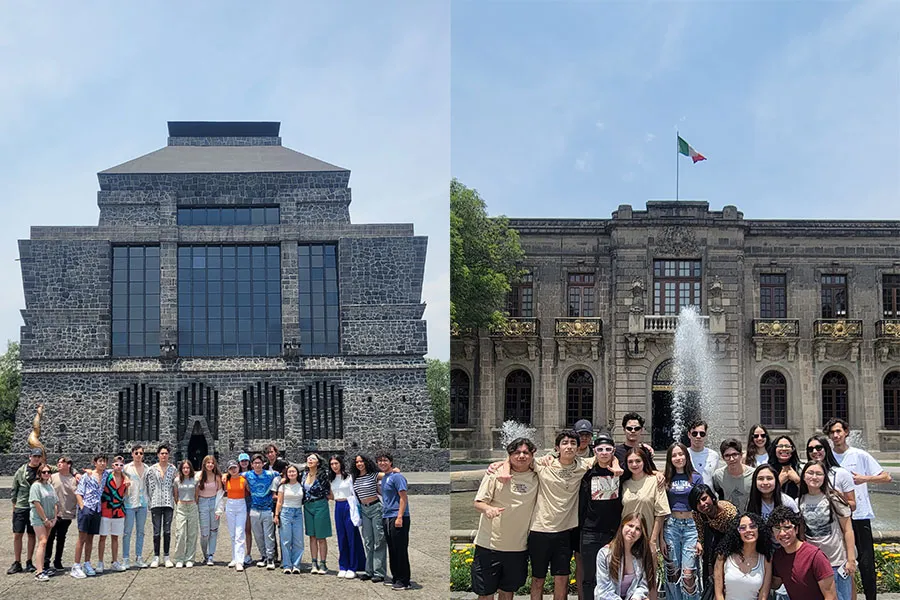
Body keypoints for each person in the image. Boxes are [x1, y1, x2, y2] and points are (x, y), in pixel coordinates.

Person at [826, 417, 891, 600]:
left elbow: (886, 477)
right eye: (832, 433)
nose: (836, 435)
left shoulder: (859, 455)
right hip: (837, 518)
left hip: (859, 515)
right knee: (840, 562)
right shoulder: (828, 457)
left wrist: (865, 479)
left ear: (846, 432)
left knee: (866, 562)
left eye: (838, 431)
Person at [472, 437, 539, 600]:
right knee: (485, 593)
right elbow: (478, 502)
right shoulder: (494, 474)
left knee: (508, 592)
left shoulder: (537, 476)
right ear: (509, 455)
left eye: (526, 452)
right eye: (517, 452)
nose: (521, 456)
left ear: (532, 455)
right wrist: (488, 509)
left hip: (518, 547)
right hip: (489, 545)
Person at [797, 461, 855, 600]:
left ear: (825, 477)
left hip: (836, 561)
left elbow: (848, 530)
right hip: (813, 563)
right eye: (810, 473)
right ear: (803, 476)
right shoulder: (800, 500)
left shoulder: (834, 498)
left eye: (819, 474)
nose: (814, 477)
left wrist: (851, 559)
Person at [579, 432, 623, 600]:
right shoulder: (586, 472)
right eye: (600, 449)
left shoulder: (620, 472)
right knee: (589, 577)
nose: (604, 453)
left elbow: (643, 467)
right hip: (589, 531)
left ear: (613, 451)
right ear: (594, 451)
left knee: (612, 576)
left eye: (608, 449)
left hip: (612, 533)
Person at [768, 505, 837, 600]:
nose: (782, 533)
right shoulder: (778, 556)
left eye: (787, 527)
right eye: (777, 529)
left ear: (796, 529)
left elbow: (831, 596)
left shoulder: (815, 556)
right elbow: (775, 584)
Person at [661, 442, 703, 600]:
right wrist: (660, 538)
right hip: (671, 526)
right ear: (669, 459)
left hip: (691, 527)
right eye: (674, 455)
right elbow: (660, 508)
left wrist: (700, 538)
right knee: (673, 571)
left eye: (681, 454)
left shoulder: (696, 477)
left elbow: (701, 508)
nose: (678, 458)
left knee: (688, 573)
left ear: (686, 456)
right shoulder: (665, 478)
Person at [689, 484, 737, 594]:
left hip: (733, 537)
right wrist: (700, 542)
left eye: (704, 499)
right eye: (698, 503)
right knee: (708, 562)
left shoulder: (728, 512)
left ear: (712, 497)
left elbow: (735, 535)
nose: (702, 504)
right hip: (714, 535)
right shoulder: (697, 513)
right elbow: (700, 529)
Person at [712, 512, 772, 600]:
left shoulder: (766, 559)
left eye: (752, 526)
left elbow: (763, 596)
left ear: (759, 529)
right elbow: (718, 594)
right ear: (737, 532)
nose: (748, 530)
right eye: (742, 528)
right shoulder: (723, 557)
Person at [594, 513, 654, 600]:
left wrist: (635, 598)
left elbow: (643, 585)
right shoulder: (604, 554)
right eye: (630, 525)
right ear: (622, 526)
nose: (632, 531)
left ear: (641, 534)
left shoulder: (641, 555)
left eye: (638, 529)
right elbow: (604, 590)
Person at [377, 450, 411, 591]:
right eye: (380, 461)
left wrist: (399, 517)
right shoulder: (385, 478)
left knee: (400, 548)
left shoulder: (397, 477)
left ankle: (404, 580)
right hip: (387, 516)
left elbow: (403, 497)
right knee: (392, 548)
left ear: (390, 462)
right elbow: (385, 494)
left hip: (398, 516)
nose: (382, 463)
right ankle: (396, 576)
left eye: (385, 460)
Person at [351, 453, 387, 583]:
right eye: (357, 462)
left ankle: (379, 572)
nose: (359, 464)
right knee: (368, 541)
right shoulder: (355, 478)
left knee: (379, 540)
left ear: (366, 462)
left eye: (361, 461)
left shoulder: (373, 475)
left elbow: (388, 474)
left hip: (376, 508)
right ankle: (369, 570)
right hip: (364, 510)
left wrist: (395, 470)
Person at [329, 454, 365, 578]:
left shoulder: (349, 477)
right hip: (338, 506)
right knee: (341, 537)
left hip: (349, 505)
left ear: (341, 464)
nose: (334, 466)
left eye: (336, 463)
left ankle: (353, 566)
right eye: (332, 464)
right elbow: (331, 495)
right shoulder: (331, 478)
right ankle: (343, 565)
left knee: (352, 536)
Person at [8, 448, 44, 574]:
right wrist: (14, 507)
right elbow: (14, 489)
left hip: (35, 506)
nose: (36, 459)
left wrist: (75, 472)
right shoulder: (21, 471)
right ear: (30, 457)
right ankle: (17, 562)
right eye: (34, 456)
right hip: (21, 505)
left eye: (38, 457)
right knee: (18, 534)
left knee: (31, 534)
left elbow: (62, 468)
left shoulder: (43, 469)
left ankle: (29, 561)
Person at [71, 454, 106, 578]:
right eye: (100, 461)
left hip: (97, 509)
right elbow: (79, 493)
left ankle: (87, 562)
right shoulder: (87, 476)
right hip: (87, 508)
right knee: (82, 537)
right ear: (95, 463)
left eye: (104, 461)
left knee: (90, 538)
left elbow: (119, 469)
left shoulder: (106, 475)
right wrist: (82, 507)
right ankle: (76, 565)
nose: (102, 463)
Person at [145, 443, 177, 568]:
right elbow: (147, 486)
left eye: (166, 453)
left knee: (167, 531)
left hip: (168, 503)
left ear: (169, 455)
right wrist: (150, 501)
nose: (164, 455)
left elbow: (176, 485)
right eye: (162, 453)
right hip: (156, 503)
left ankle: (167, 556)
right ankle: (156, 557)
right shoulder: (151, 469)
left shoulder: (173, 469)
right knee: (156, 531)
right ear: (158, 455)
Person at [804, 435, 855, 511]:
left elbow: (853, 506)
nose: (814, 451)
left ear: (826, 449)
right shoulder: (806, 474)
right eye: (810, 449)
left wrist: (839, 497)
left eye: (818, 448)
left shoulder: (841, 473)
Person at [246, 453, 278, 570]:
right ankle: (263, 556)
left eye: (259, 463)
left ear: (263, 464)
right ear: (252, 465)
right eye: (255, 463)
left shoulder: (270, 474)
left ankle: (270, 558)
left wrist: (275, 489)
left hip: (267, 509)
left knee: (269, 535)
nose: (257, 465)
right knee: (258, 535)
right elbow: (234, 474)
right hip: (254, 509)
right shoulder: (248, 475)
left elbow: (283, 474)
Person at [301, 452, 332, 574]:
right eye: (308, 458)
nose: (310, 460)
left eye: (313, 459)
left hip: (320, 504)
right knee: (312, 535)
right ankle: (314, 562)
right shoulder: (304, 474)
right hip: (308, 506)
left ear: (318, 462)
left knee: (321, 536)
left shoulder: (323, 474)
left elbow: (329, 489)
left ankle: (323, 563)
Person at [46, 456, 77, 573]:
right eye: (58, 462)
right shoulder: (52, 477)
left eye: (62, 463)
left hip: (67, 513)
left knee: (61, 538)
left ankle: (58, 561)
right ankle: (46, 561)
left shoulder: (74, 480)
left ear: (68, 465)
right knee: (49, 538)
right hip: (52, 514)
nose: (59, 464)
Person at [97, 456, 129, 572]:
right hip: (106, 509)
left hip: (118, 511)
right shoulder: (106, 476)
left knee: (115, 537)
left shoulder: (125, 479)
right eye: (116, 464)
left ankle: (114, 561)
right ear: (112, 465)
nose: (118, 467)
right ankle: (100, 562)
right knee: (103, 536)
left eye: (121, 465)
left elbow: (125, 494)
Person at [29, 463, 58, 582]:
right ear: (39, 473)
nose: (46, 474)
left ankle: (43, 567)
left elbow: (55, 502)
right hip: (38, 518)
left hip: (50, 518)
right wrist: (45, 519)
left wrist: (54, 518)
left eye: (48, 472)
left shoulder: (50, 486)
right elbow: (36, 503)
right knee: (42, 541)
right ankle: (39, 571)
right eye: (44, 472)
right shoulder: (36, 486)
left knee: (45, 543)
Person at [274, 463, 304, 574]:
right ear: (286, 474)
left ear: (297, 473)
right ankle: (287, 564)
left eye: (293, 471)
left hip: (298, 513)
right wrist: (276, 515)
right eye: (289, 472)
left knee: (298, 541)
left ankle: (296, 565)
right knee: (286, 540)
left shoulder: (301, 485)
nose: (291, 473)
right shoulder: (283, 486)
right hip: (285, 513)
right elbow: (279, 501)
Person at [122, 445, 149, 569]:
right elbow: (113, 472)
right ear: (132, 454)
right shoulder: (126, 468)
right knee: (127, 532)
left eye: (141, 453)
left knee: (141, 532)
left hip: (143, 503)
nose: (139, 455)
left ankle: (139, 557)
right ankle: (125, 558)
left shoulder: (147, 468)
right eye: (136, 453)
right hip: (130, 503)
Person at [196, 454, 223, 566]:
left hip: (213, 502)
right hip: (202, 503)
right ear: (204, 464)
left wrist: (219, 509)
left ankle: (211, 554)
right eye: (208, 463)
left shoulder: (217, 477)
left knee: (214, 530)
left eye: (212, 463)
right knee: (204, 533)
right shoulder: (199, 476)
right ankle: (205, 554)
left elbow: (220, 493)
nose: (210, 465)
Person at [713, 439, 754, 511]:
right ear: (723, 458)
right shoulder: (718, 475)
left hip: (749, 515)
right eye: (727, 455)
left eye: (735, 454)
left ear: (741, 455)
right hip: (728, 516)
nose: (731, 459)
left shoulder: (753, 474)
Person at [172, 459, 199, 568]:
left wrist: (193, 503)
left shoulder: (195, 480)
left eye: (187, 468)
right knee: (180, 533)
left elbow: (197, 495)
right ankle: (179, 558)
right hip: (181, 507)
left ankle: (189, 558)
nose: (186, 470)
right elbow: (175, 495)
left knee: (192, 533)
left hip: (192, 506)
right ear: (181, 469)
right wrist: (179, 503)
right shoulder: (177, 480)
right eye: (184, 468)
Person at [223, 460, 248, 571]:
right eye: (231, 468)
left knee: (240, 533)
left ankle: (240, 561)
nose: (233, 470)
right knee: (232, 533)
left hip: (241, 505)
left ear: (238, 467)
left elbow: (249, 490)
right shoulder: (226, 479)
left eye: (235, 467)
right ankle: (234, 557)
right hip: (230, 504)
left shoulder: (244, 479)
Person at [686, 420, 721, 488]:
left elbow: (716, 479)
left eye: (702, 434)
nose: (698, 436)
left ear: (706, 435)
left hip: (709, 494)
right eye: (694, 433)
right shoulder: (683, 454)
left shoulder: (714, 455)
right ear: (689, 435)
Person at [238, 452, 254, 566]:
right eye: (242, 461)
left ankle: (248, 553)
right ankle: (239, 553)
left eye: (246, 461)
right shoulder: (235, 473)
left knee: (247, 529)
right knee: (239, 530)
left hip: (248, 500)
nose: (244, 463)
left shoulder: (252, 474)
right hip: (238, 500)